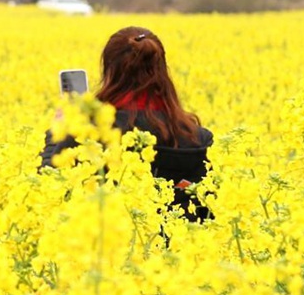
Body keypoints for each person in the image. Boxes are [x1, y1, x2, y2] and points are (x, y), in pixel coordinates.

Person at [40, 26, 214, 221]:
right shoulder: (198, 138)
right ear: (163, 71)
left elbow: (50, 184)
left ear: (110, 72)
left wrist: (59, 133)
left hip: (105, 245)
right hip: (180, 247)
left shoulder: (92, 133)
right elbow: (210, 210)